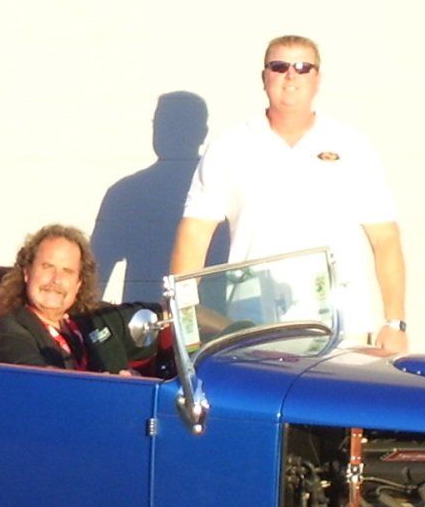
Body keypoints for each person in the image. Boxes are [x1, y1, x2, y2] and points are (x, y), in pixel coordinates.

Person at [168, 35, 409, 354]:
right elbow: (195, 235)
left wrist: (395, 324)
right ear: (264, 77)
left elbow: (385, 239)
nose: (291, 76)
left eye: (303, 67)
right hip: (252, 325)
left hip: (342, 324)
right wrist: (181, 323)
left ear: (317, 79)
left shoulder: (353, 145)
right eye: (279, 67)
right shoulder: (230, 147)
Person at [0, 223, 102, 368]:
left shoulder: (85, 326)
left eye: (67, 271)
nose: (56, 279)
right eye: (47, 266)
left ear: (79, 283)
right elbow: (40, 381)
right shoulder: (8, 332)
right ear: (27, 273)